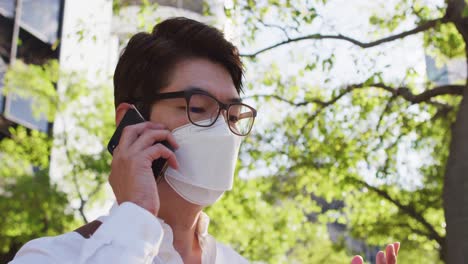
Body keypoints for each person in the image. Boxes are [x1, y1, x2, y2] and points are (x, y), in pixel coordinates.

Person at [9, 17, 399, 264]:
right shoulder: (51, 256)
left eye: (232, 114)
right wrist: (136, 215)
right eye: (198, 107)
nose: (223, 132)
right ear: (132, 123)